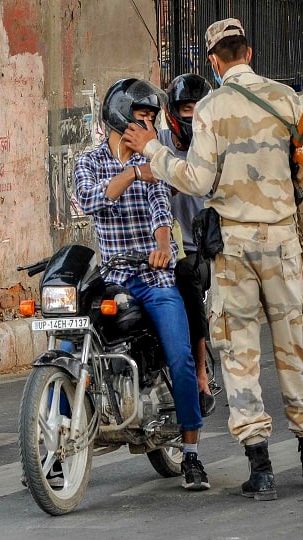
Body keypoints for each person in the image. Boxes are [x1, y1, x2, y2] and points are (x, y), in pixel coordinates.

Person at [123, 18, 303, 501]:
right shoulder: (287, 101)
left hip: (232, 249)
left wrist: (151, 148)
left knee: (240, 354)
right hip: (281, 244)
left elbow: (195, 180)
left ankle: (261, 468)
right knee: (293, 347)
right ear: (249, 53)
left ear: (214, 61)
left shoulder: (210, 109)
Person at [73, 78, 210, 491]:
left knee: (180, 356)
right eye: (141, 118)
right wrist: (133, 170)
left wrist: (164, 246)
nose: (147, 126)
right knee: (73, 338)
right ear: (118, 118)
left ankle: (191, 454)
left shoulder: (158, 162)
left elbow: (161, 213)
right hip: (111, 278)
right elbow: (91, 201)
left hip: (153, 277)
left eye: (151, 119)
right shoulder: (90, 162)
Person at [159, 73, 216, 417]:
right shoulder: (159, 144)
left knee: (188, 279)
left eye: (199, 108)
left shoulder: (214, 148)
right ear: (172, 112)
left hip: (200, 253)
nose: (192, 114)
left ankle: (200, 374)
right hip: (157, 250)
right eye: (186, 107)